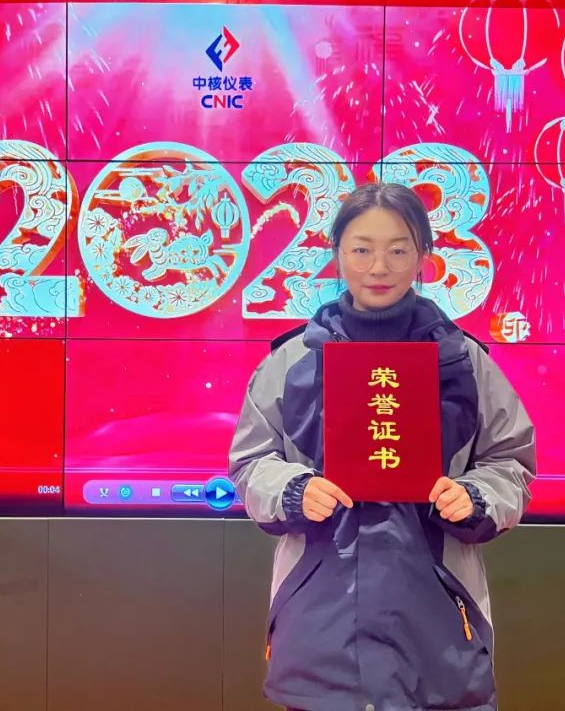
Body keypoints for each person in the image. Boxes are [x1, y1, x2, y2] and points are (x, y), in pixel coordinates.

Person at [229, 182, 536, 711]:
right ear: (337, 254)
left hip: (438, 631)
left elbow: (510, 459)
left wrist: (476, 496)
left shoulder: (463, 361)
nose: (379, 267)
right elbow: (251, 463)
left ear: (422, 255)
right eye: (361, 249)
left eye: (398, 250)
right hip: (320, 629)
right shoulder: (291, 361)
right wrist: (294, 490)